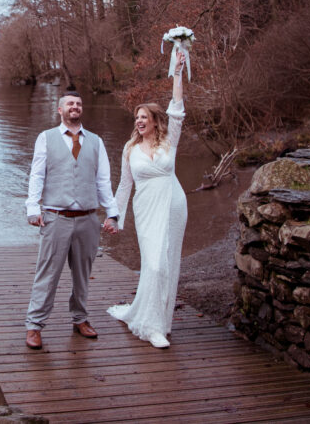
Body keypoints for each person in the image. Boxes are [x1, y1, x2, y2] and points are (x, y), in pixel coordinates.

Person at [24, 90, 119, 350]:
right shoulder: (46, 138)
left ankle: (80, 318)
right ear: (60, 110)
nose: (75, 107)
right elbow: (37, 175)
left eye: (78, 103)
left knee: (82, 274)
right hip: (56, 217)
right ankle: (35, 324)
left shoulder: (96, 141)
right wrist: (32, 207)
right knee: (48, 273)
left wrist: (112, 213)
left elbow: (103, 181)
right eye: (70, 103)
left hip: (88, 219)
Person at [107, 50, 188, 349]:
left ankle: (161, 324)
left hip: (174, 203)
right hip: (146, 208)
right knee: (154, 264)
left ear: (154, 121)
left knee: (169, 263)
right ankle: (149, 325)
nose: (139, 121)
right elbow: (124, 185)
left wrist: (177, 72)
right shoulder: (130, 149)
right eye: (136, 118)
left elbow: (177, 110)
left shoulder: (169, 142)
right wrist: (115, 216)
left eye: (144, 117)